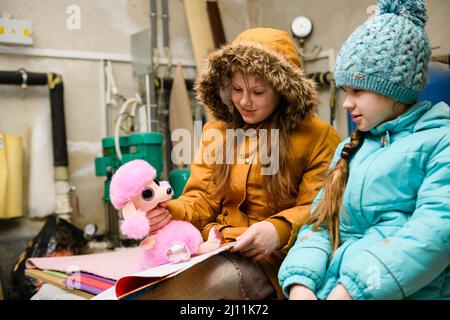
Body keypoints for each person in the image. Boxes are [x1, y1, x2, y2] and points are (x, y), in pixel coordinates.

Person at [140, 27, 341, 300]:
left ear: (283, 90)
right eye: (237, 89)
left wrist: (278, 229)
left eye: (258, 92)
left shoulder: (318, 136)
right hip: (215, 247)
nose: (244, 102)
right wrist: (166, 211)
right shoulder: (217, 131)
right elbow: (201, 199)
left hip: (276, 260)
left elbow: (320, 209)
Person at [278, 0, 450, 300]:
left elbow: (434, 234)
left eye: (357, 91)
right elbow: (319, 225)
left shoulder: (440, 143)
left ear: (395, 89)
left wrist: (352, 289)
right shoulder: (349, 148)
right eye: (345, 91)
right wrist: (301, 282)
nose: (347, 102)